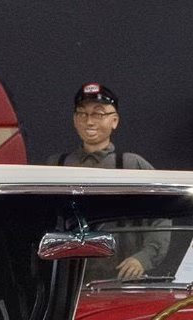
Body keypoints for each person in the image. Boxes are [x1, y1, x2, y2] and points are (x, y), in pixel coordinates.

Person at [51, 83, 165, 280]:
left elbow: (162, 213)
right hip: (66, 276)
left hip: (119, 275)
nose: (89, 122)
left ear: (114, 121)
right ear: (74, 119)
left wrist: (143, 258)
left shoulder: (131, 165)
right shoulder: (56, 165)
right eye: (82, 114)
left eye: (98, 114)